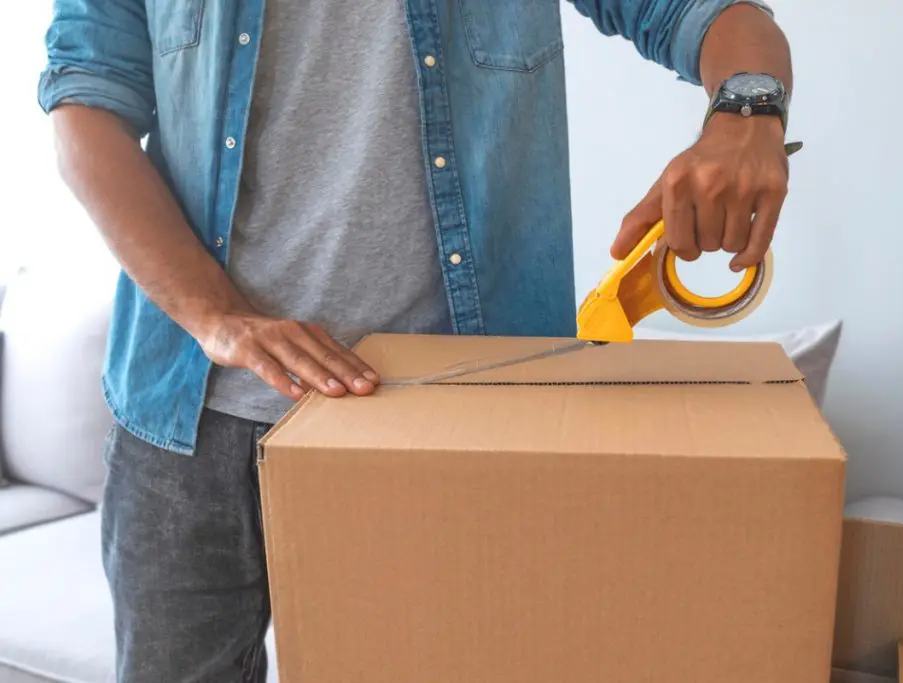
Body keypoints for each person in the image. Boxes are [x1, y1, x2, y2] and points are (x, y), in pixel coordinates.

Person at [38, 0, 794, 680]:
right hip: (185, 417)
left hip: (449, 427)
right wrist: (215, 314)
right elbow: (84, 101)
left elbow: (709, 16)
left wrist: (749, 107)